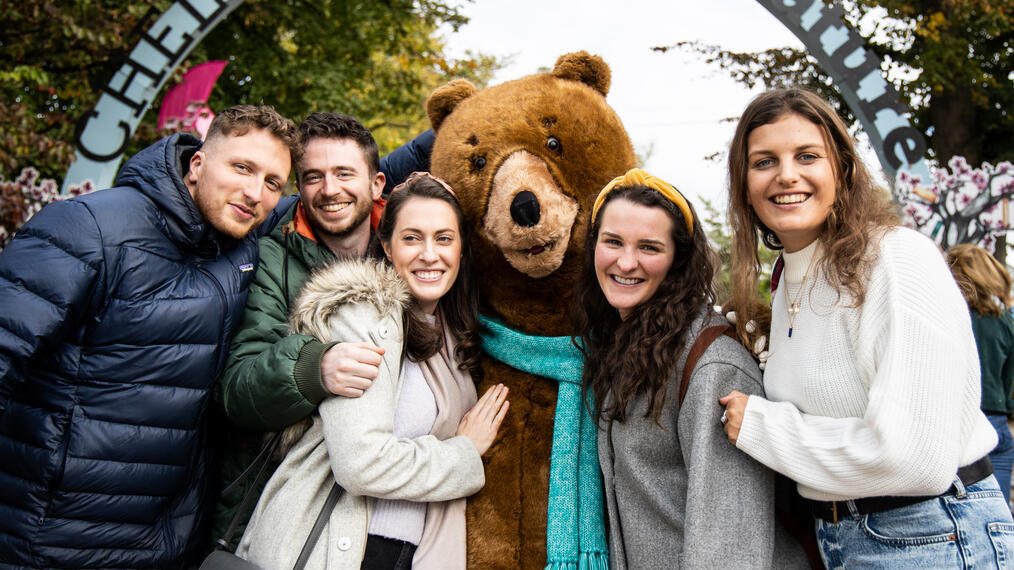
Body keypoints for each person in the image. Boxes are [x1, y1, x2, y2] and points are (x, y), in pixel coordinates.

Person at [719, 87, 1013, 568]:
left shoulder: (896, 258)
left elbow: (916, 459)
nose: (786, 174)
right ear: (744, 183)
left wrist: (761, 426)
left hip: (932, 534)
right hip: (843, 537)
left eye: (807, 156)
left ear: (843, 169)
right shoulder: (791, 277)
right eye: (764, 161)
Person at [0, 105, 300, 569]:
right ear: (197, 164)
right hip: (49, 540)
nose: (254, 192)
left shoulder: (242, 241)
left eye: (273, 182)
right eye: (242, 167)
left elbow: (343, 179)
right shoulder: (89, 227)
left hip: (161, 546)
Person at [236, 172, 509, 569]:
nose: (429, 254)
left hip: (410, 551)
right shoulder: (365, 316)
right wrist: (462, 453)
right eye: (412, 238)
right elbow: (360, 464)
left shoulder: (453, 335)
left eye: (444, 238)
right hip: (339, 547)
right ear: (386, 246)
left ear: (462, 250)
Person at [212, 112, 433, 542]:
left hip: (398, 509)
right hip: (286, 512)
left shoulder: (413, 249)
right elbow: (237, 389)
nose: (330, 189)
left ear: (377, 184)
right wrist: (312, 368)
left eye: (344, 173)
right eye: (314, 177)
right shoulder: (272, 259)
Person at [573, 168, 802, 569]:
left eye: (649, 247)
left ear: (677, 260)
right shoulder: (623, 343)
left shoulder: (713, 364)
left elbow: (731, 548)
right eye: (613, 242)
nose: (626, 262)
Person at [948, 243, 1014, 506]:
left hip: (957, 422)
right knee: (999, 516)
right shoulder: (1005, 320)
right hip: (997, 422)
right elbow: (1010, 383)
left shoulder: (947, 318)